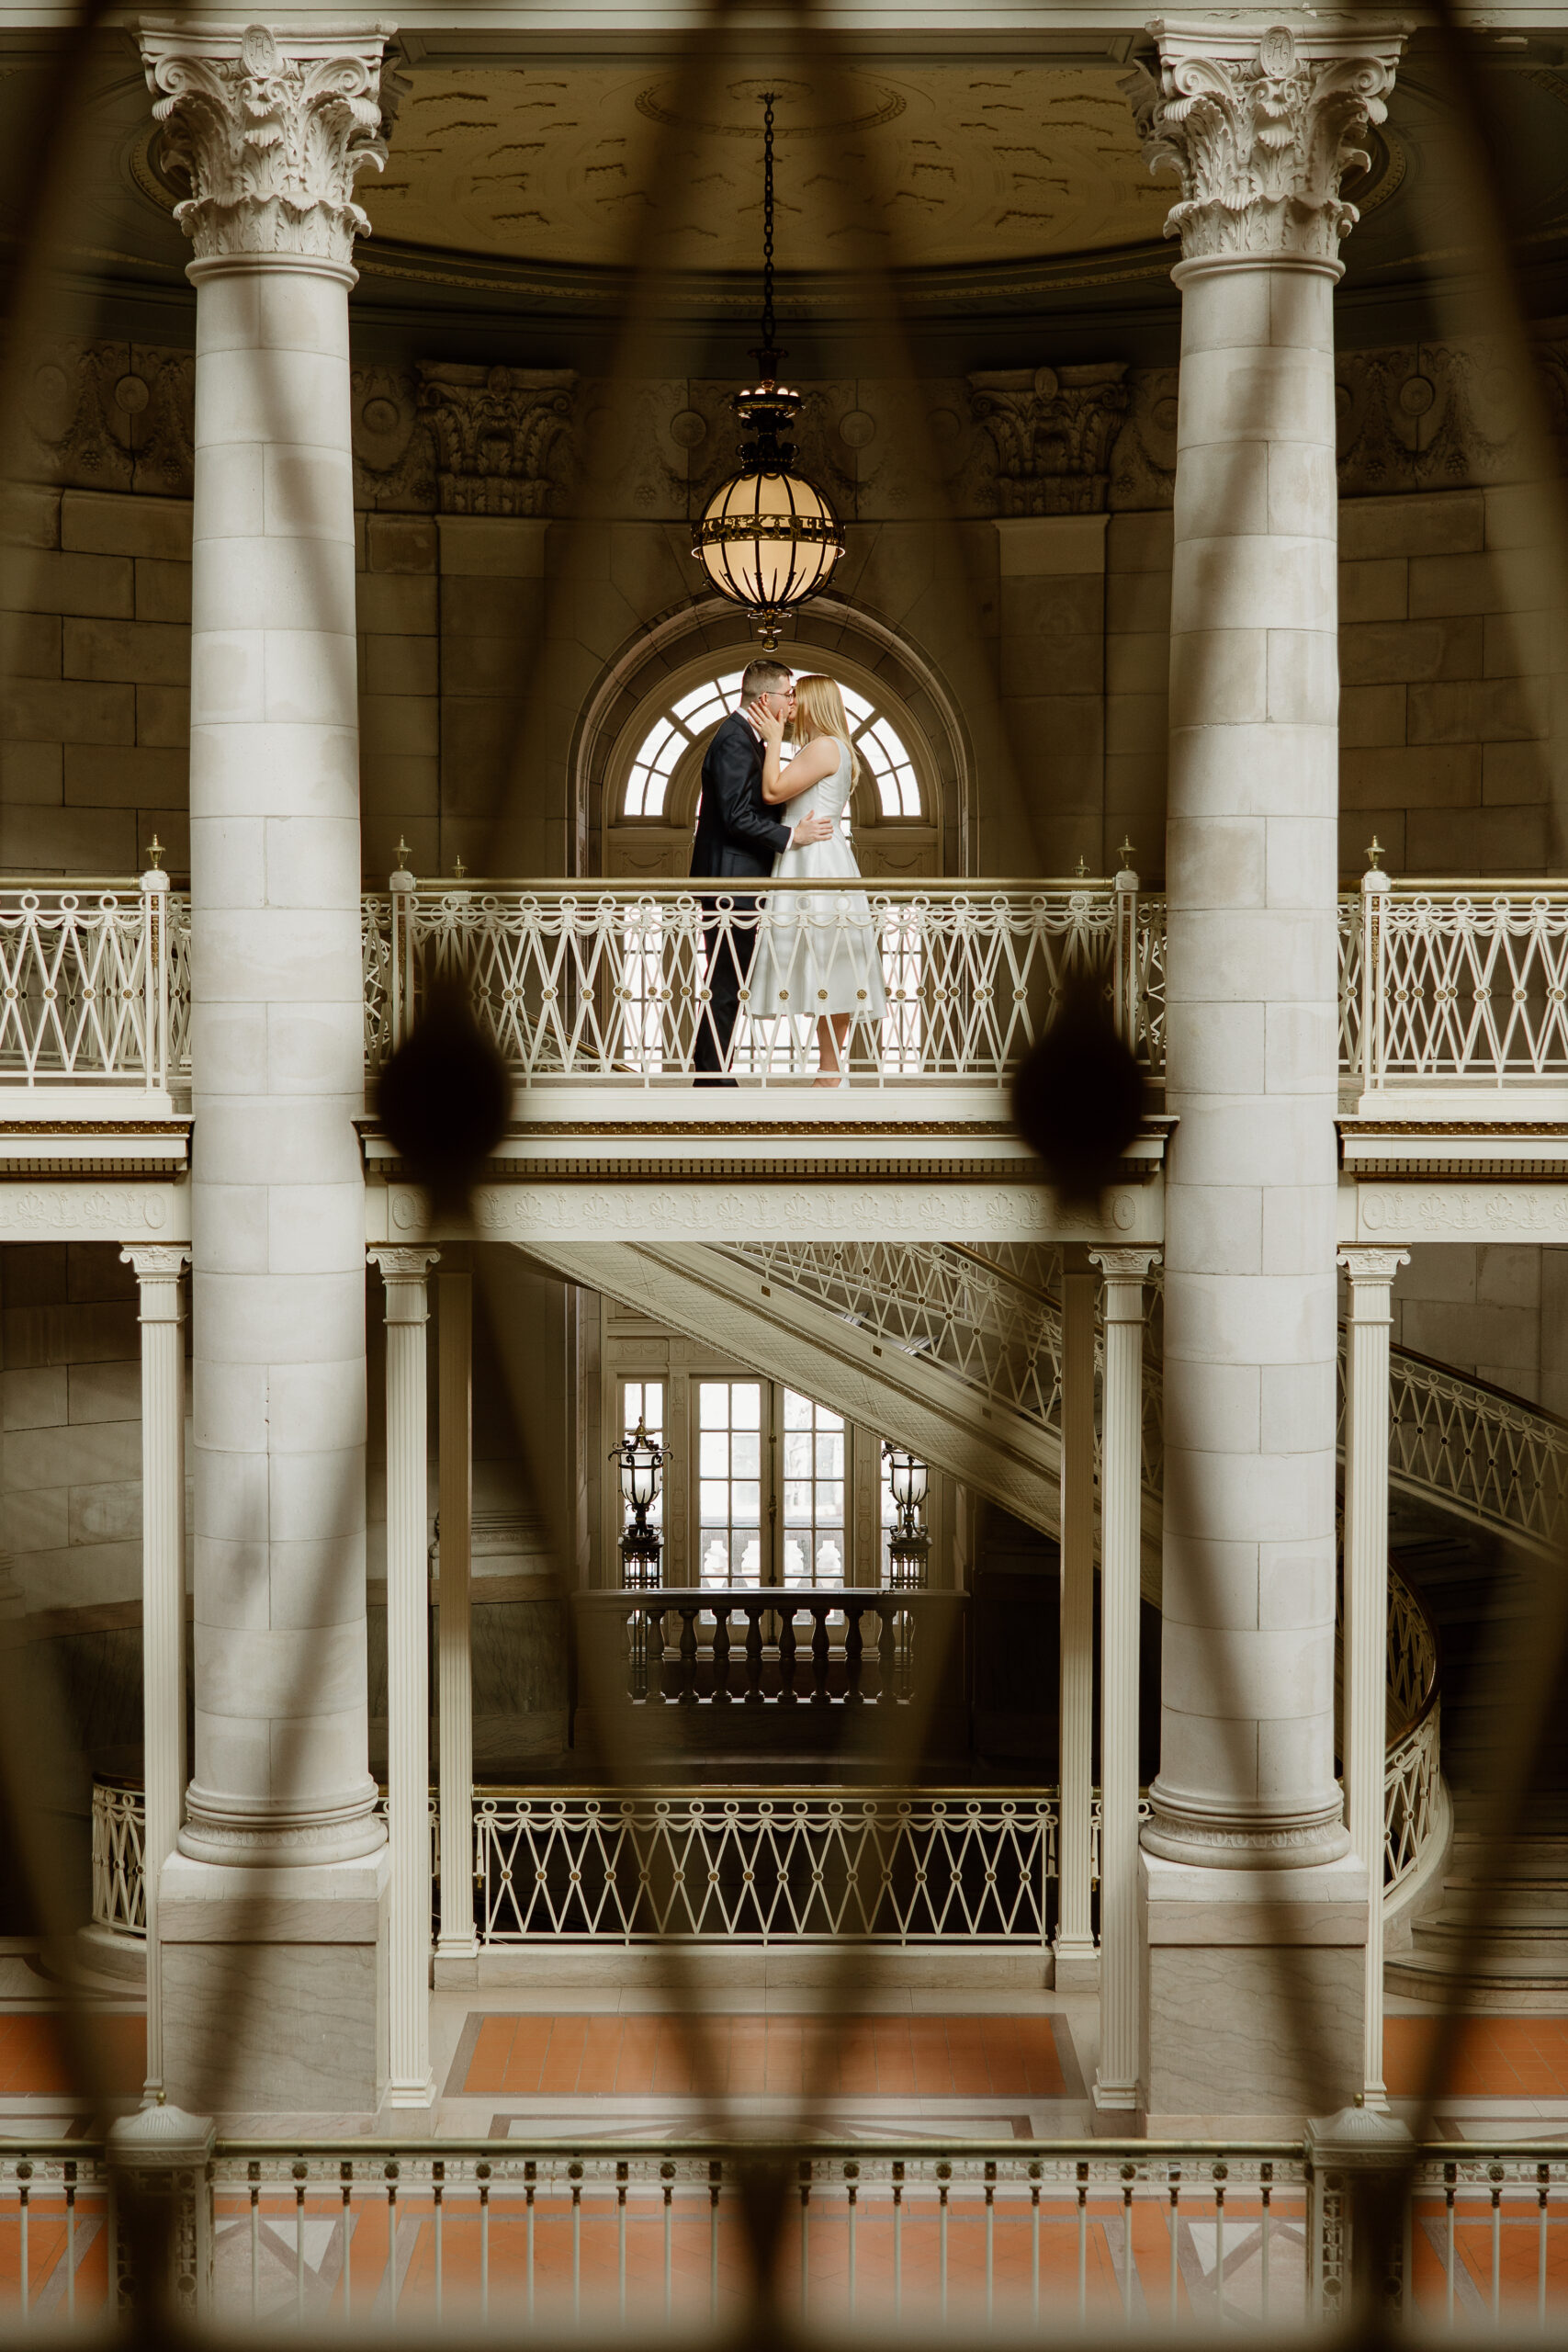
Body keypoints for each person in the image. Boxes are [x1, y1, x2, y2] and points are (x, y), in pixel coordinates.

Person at [688, 660, 832, 1085]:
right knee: (729, 978)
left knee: (731, 977)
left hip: (739, 881)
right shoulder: (735, 738)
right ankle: (711, 1078)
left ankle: (712, 1072)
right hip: (731, 883)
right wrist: (792, 837)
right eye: (789, 694)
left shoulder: (747, 737)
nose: (793, 703)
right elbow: (735, 816)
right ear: (766, 698)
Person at [747, 673, 887, 1087]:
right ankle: (830, 1068)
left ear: (813, 703)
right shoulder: (827, 747)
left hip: (816, 861)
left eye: (795, 698)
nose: (789, 706)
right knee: (822, 959)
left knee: (831, 960)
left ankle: (829, 1070)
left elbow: (772, 792)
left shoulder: (824, 746)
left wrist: (773, 739)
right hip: (812, 856)